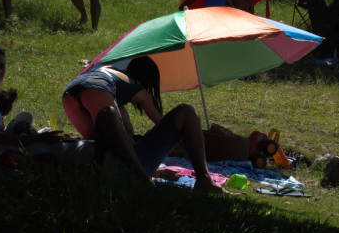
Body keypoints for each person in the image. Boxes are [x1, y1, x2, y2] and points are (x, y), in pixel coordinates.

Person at [62, 57, 223, 192]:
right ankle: (204, 180)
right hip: (98, 89)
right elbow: (158, 120)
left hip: (70, 91)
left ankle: (103, 174)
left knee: (98, 140)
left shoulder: (113, 77)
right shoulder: (137, 89)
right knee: (185, 112)